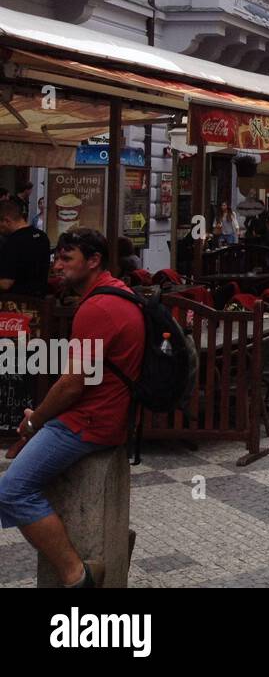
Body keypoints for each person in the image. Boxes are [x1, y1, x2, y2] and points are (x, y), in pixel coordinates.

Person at [0, 227, 144, 587]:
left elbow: (72, 384)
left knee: (11, 490)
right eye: (57, 258)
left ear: (93, 260)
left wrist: (35, 422)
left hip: (89, 422)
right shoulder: (121, 293)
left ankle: (77, 575)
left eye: (67, 258)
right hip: (107, 416)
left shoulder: (96, 308)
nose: (57, 266)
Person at [0, 199, 51, 296]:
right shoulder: (42, 236)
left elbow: (6, 283)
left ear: (6, 221)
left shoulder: (12, 242)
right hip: (40, 299)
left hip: (17, 301)